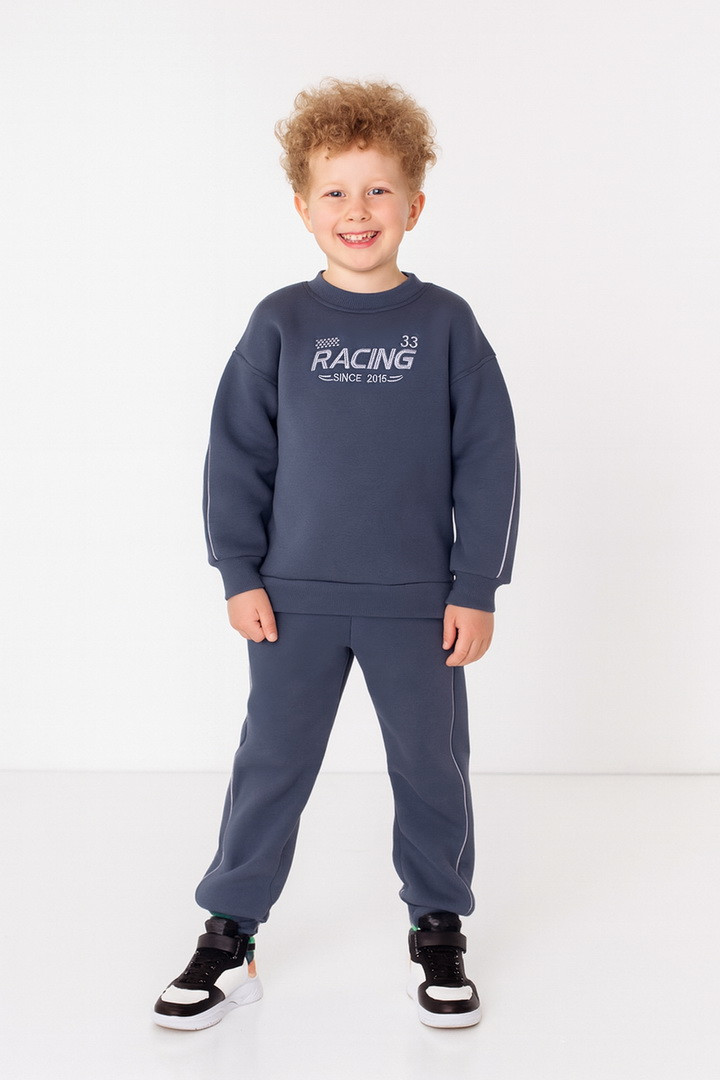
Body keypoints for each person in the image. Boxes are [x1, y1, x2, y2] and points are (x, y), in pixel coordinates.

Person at [153, 77, 520, 1032]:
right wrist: (239, 573)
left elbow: (489, 460)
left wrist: (476, 585)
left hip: (419, 603)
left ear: (415, 205)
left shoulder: (446, 323)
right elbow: (236, 455)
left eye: (378, 190)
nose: (358, 210)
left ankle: (438, 926)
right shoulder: (280, 322)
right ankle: (230, 933)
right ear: (303, 206)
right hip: (293, 601)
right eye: (335, 191)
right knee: (271, 764)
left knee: (430, 766)